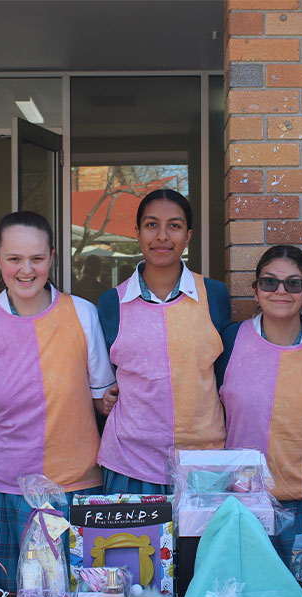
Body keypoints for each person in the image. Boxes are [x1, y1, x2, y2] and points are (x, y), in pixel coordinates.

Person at [0, 211, 115, 592]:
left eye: (37, 259)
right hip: (4, 493)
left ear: (52, 257)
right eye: (14, 259)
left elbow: (103, 404)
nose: (26, 270)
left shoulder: (83, 315)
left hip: (78, 488)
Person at [97, 189, 232, 494]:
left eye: (174, 225)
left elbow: (224, 375)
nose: (161, 236)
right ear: (137, 233)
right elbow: (105, 377)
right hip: (129, 462)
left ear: (188, 236)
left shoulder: (214, 296)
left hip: (203, 462)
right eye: (151, 225)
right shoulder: (111, 303)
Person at [218, 245, 302, 566]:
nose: (281, 291)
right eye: (270, 282)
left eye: (294, 283)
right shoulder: (230, 342)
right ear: (256, 290)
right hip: (241, 501)